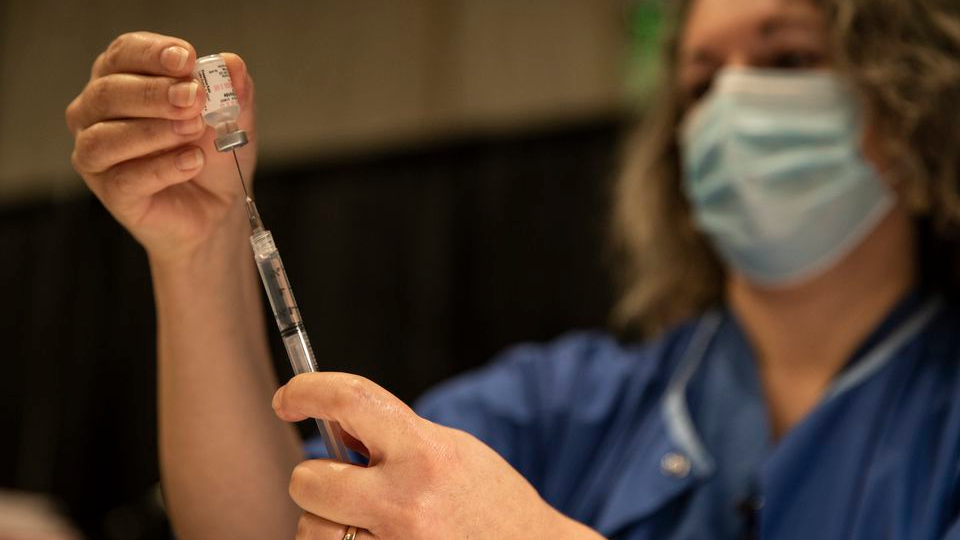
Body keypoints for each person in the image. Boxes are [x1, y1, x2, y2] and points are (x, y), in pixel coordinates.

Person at [64, 0, 960, 538]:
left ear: (909, 92)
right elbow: (266, 528)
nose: (733, 106)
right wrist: (201, 251)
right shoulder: (570, 406)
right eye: (699, 83)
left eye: (788, 59)